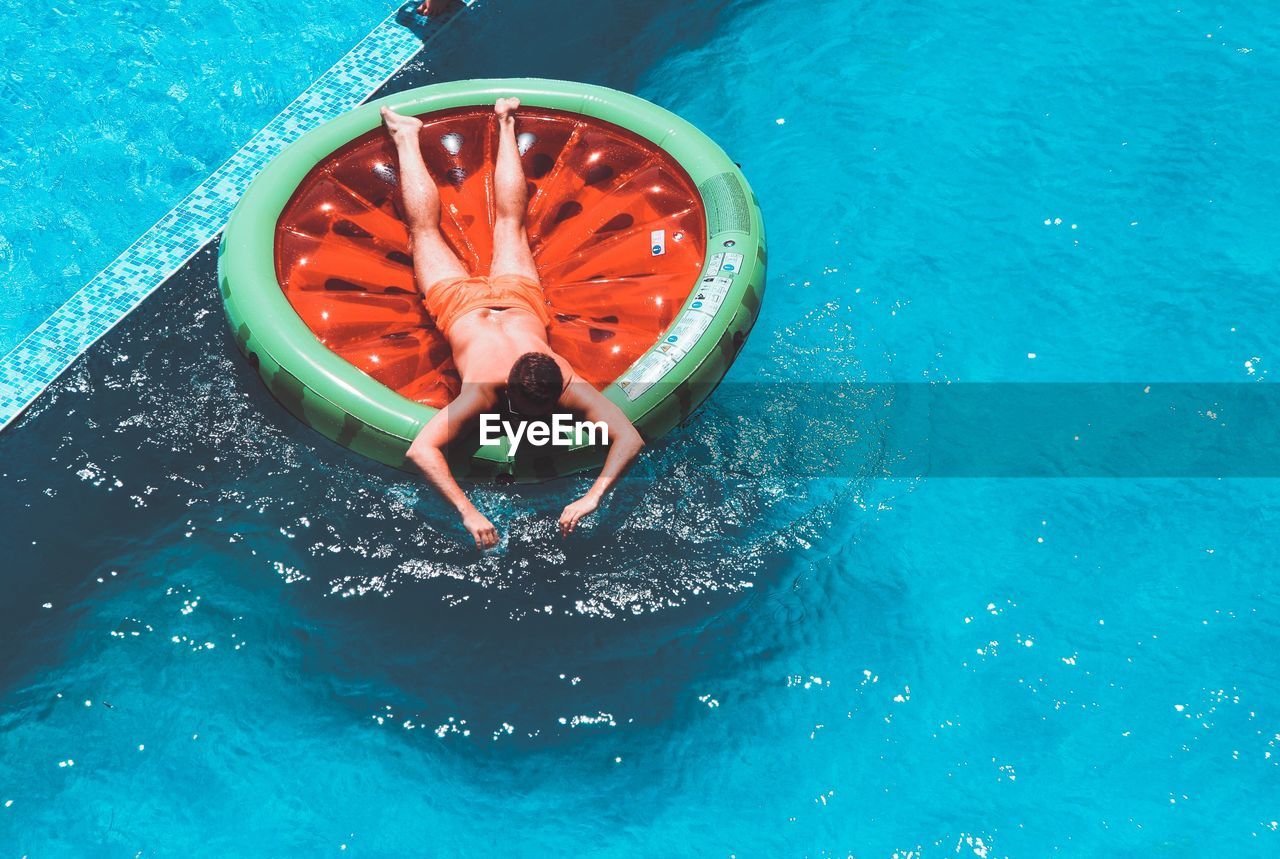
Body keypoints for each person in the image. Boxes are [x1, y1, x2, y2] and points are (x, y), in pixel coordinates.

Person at [380, 98, 645, 550]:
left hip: (514, 303)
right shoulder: (484, 388)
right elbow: (420, 450)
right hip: (467, 305)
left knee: (504, 225)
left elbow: (630, 439)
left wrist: (591, 498)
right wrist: (468, 511)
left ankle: (485, 123)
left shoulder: (561, 380)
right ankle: (435, 131)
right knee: (467, 228)